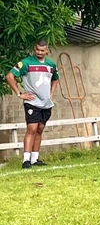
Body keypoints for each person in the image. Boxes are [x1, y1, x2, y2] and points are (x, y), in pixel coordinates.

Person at [6, 40, 59, 169]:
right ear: (34, 49)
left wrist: (51, 93)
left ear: (47, 50)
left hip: (46, 103)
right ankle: (26, 160)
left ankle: (35, 159)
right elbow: (9, 76)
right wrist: (19, 94)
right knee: (32, 129)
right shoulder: (25, 63)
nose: (40, 53)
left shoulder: (51, 64)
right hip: (32, 102)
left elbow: (55, 79)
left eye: (42, 50)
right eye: (37, 50)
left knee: (40, 129)